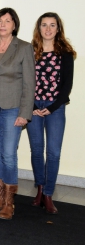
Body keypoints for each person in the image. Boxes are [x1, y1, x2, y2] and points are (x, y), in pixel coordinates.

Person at [0, 8, 35, 220]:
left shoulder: (24, 48)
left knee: (9, 154)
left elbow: (30, 83)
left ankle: (10, 203)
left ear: (14, 25)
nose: (2, 24)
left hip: (13, 108)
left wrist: (25, 113)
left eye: (7, 21)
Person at [27, 12, 75, 214]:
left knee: (53, 153)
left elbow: (67, 86)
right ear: (39, 29)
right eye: (44, 25)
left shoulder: (65, 53)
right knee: (37, 150)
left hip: (55, 107)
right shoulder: (30, 51)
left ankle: (48, 194)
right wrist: (31, 107)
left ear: (58, 28)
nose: (48, 29)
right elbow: (25, 82)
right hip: (33, 107)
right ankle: (39, 187)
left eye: (52, 25)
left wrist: (52, 107)